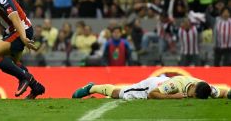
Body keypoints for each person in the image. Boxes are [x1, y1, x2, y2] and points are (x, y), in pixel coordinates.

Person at [72, 76, 231, 100]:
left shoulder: (206, 87)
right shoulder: (174, 87)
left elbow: (222, 92)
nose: (191, 97)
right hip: (154, 85)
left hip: (164, 82)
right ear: (193, 87)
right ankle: (92, 88)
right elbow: (152, 93)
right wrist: (174, 97)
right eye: (192, 95)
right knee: (118, 93)